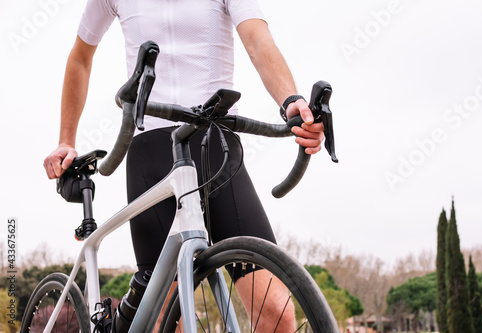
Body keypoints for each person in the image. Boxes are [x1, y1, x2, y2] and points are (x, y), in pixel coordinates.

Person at [44, 0, 325, 330]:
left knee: (276, 311)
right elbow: (80, 57)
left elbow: (258, 40)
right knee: (165, 317)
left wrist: (291, 101)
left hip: (215, 143)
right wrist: (66, 138)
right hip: (151, 148)